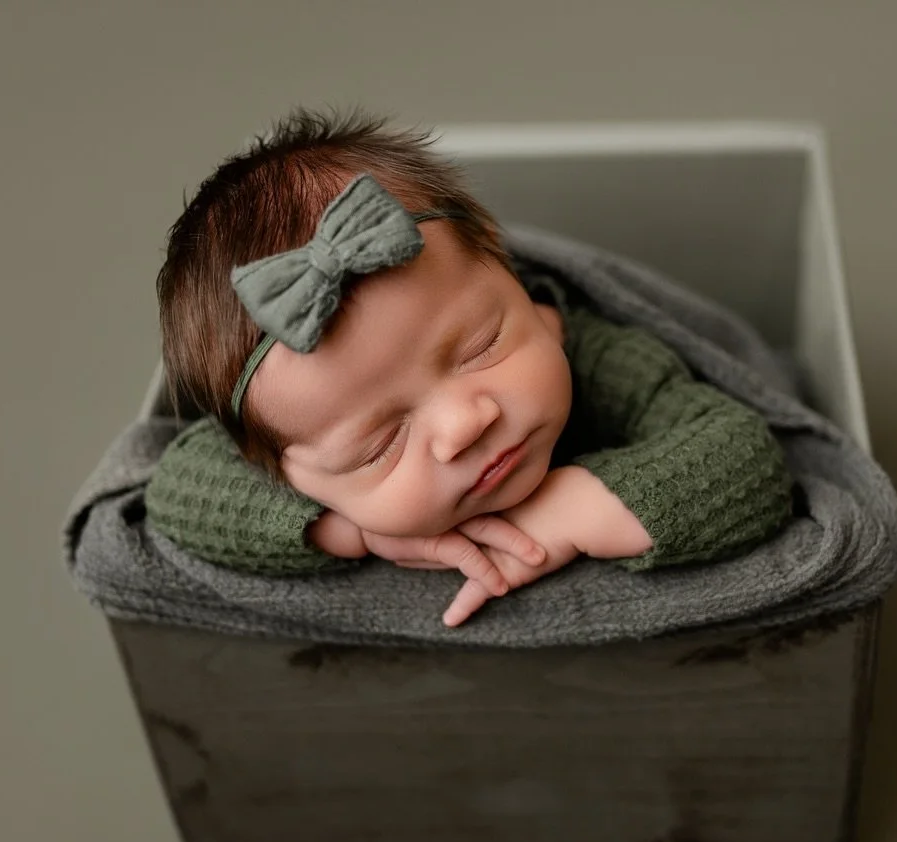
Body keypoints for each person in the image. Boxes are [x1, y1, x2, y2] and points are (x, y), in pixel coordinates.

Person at [145, 108, 795, 627]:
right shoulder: (286, 446)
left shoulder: (603, 360)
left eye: (480, 345)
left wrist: (572, 508)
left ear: (511, 277)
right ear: (295, 472)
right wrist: (350, 531)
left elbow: (747, 459)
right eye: (380, 443)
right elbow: (176, 490)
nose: (464, 424)